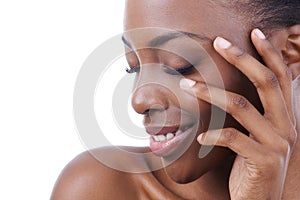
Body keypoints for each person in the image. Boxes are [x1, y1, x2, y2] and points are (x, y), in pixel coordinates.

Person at [51, 0, 300, 199]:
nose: (139, 100)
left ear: (289, 51)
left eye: (180, 65)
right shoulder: (102, 188)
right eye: (133, 67)